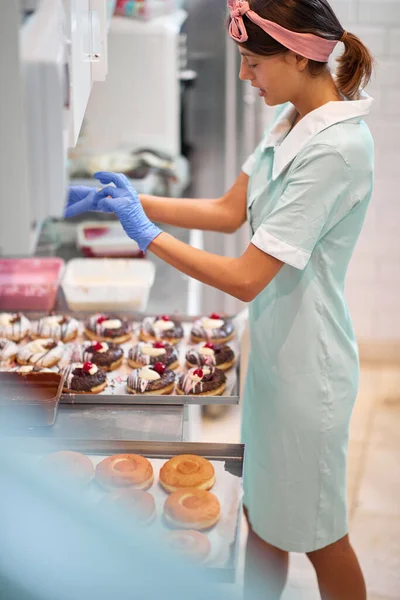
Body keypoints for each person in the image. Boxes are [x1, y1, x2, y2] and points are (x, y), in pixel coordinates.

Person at [66, 1, 374, 598]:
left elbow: (245, 276)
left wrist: (147, 236)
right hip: (276, 362)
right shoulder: (289, 121)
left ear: (295, 56)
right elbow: (229, 211)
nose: (244, 75)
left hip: (311, 374)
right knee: (263, 515)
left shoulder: (338, 150)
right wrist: (133, 201)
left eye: (253, 62)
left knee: (319, 535)